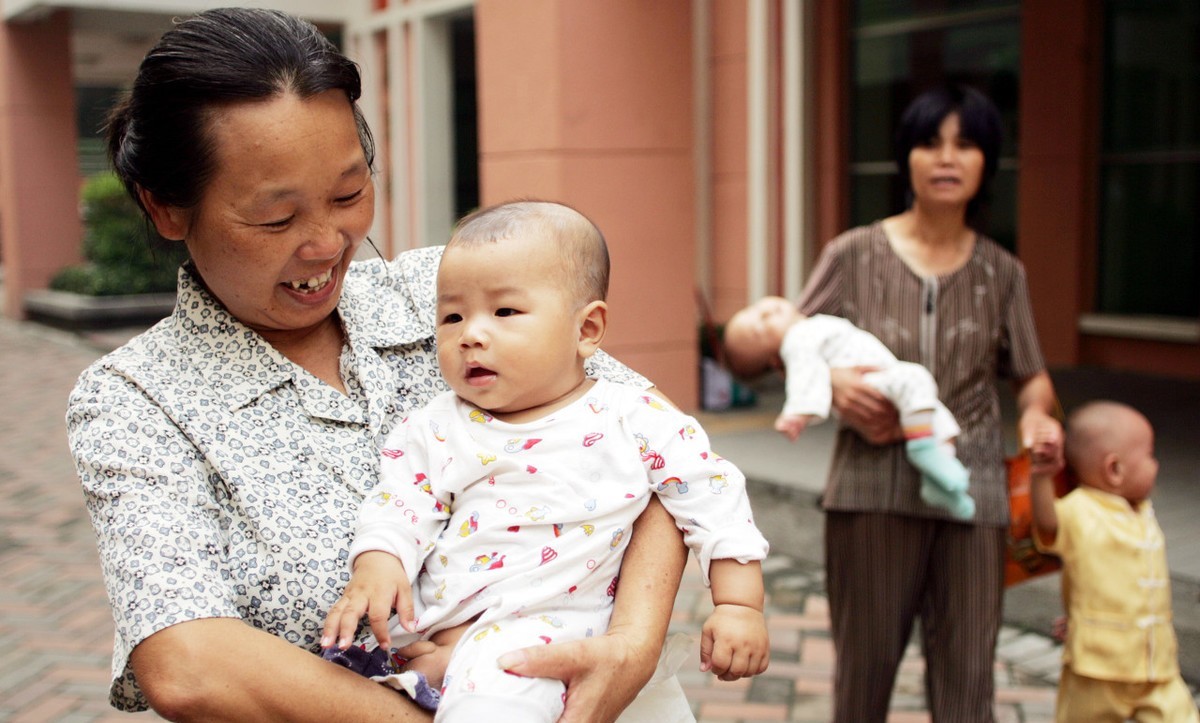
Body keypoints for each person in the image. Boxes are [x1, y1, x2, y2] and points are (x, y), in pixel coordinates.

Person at [65, 9, 689, 721]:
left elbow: (660, 449)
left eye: (348, 194)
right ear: (167, 208)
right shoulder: (137, 398)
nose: (328, 242)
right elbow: (187, 662)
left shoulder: (450, 297)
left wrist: (633, 645)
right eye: (276, 219)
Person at [322, 201, 771, 720]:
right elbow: (399, 503)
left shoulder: (634, 418)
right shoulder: (436, 425)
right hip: (456, 637)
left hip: (562, 635)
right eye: (451, 316)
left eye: (505, 312)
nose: (470, 334)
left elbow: (713, 497)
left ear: (587, 330)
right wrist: (378, 564)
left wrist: (739, 605)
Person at [794, 84, 1065, 721]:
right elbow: (791, 341)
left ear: (986, 162)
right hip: (868, 492)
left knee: (968, 683)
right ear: (906, 158)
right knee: (862, 681)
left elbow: (1032, 375)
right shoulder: (852, 253)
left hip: (974, 495)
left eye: (965, 144)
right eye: (929, 142)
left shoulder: (1004, 272)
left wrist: (1035, 415)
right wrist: (832, 387)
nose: (947, 157)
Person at [723, 295, 973, 519]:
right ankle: (923, 451)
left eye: (755, 309)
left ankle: (937, 482)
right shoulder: (796, 339)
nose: (765, 314)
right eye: (759, 329)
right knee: (917, 378)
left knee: (939, 416)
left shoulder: (808, 326)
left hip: (882, 375)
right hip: (871, 380)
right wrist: (796, 414)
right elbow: (804, 378)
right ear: (776, 361)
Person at [1031, 401, 1199, 723]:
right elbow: (1048, 525)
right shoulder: (1081, 510)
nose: (1157, 464)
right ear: (1115, 469)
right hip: (1097, 667)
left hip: (1155, 665)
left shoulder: (1140, 510)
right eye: (1149, 455)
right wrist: (1042, 476)